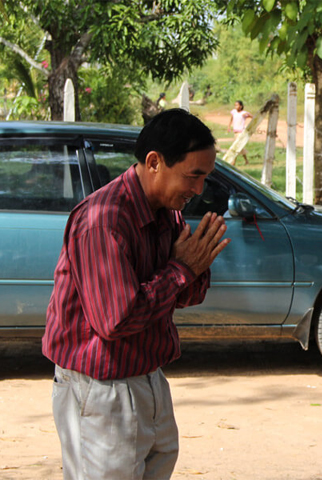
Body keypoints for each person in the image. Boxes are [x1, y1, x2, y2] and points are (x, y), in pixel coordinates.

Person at [42, 108, 230, 479]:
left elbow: (188, 296)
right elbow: (116, 319)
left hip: (148, 374)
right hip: (100, 387)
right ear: (154, 162)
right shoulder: (103, 220)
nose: (199, 190)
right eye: (193, 176)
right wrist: (182, 270)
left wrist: (194, 267)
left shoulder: (167, 213)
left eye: (205, 178)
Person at [228, 100, 253, 165]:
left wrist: (248, 114)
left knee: (236, 146)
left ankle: (233, 162)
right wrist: (229, 126)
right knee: (240, 147)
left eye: (237, 105)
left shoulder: (243, 113)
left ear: (241, 106)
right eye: (235, 105)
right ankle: (246, 161)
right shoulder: (233, 112)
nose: (236, 106)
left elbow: (252, 116)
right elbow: (231, 119)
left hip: (240, 132)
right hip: (235, 132)